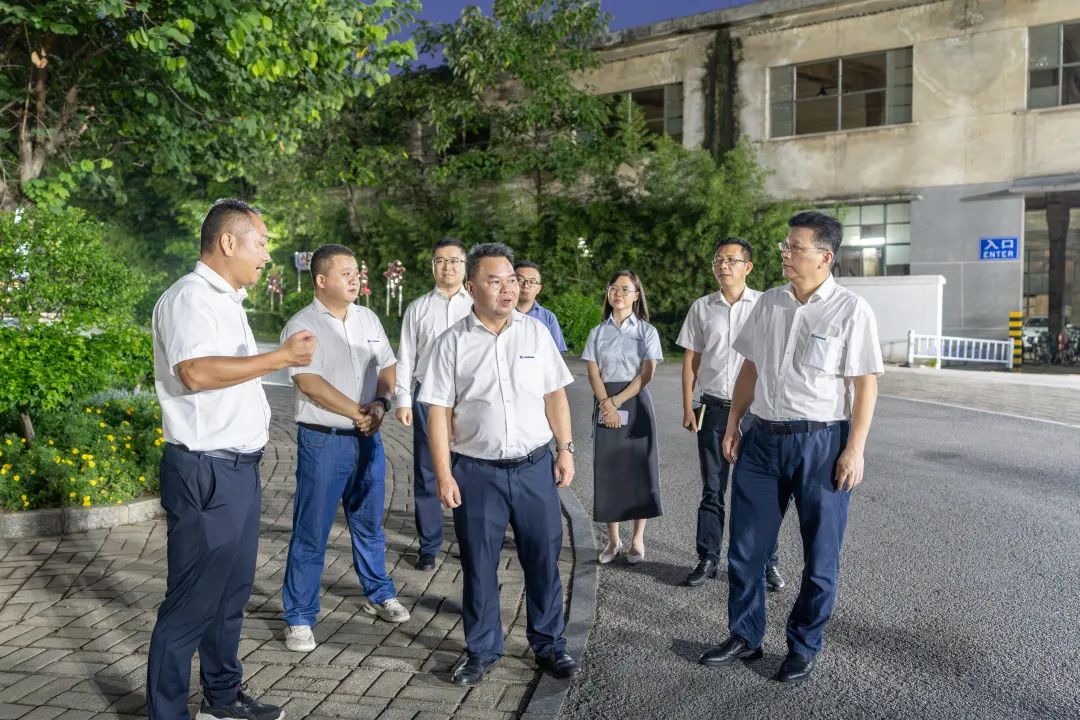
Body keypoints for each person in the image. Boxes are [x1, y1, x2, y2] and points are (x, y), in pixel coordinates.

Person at [148, 199, 315, 720]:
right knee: (191, 602)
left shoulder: (227, 301)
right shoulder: (190, 298)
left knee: (229, 596)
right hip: (206, 471)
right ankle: (167, 713)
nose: (267, 255)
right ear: (227, 242)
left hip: (239, 471)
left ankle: (221, 700)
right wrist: (280, 357)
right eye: (261, 243)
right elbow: (195, 372)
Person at [699, 211, 883, 683]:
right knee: (746, 548)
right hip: (762, 440)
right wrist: (734, 423)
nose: (785, 253)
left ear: (825, 256)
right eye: (785, 245)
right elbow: (750, 367)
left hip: (822, 443)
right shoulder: (770, 303)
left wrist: (855, 448)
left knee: (820, 556)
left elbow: (864, 384)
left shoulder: (850, 310)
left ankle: (803, 645)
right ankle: (745, 635)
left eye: (795, 247)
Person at [419, 242, 581, 686]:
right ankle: (481, 650)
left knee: (543, 559)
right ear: (472, 288)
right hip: (476, 472)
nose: (508, 288)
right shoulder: (451, 343)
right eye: (495, 281)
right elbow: (438, 413)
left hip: (534, 468)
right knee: (479, 564)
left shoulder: (535, 334)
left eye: (511, 280)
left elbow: (555, 395)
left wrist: (565, 449)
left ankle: (550, 645)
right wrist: (444, 474)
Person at [280, 244, 410, 655]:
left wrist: (381, 403)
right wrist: (358, 412)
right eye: (346, 273)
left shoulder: (368, 318)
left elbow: (387, 365)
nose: (356, 278)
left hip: (368, 437)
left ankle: (379, 593)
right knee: (311, 530)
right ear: (321, 280)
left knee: (369, 523)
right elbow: (309, 382)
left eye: (357, 272)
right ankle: (299, 617)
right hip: (324, 440)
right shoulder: (301, 325)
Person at [677, 238, 786, 591]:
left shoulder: (766, 305)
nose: (723, 265)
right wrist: (688, 405)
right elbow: (691, 359)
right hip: (712, 409)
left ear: (747, 267)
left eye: (731, 260)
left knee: (758, 492)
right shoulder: (702, 307)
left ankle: (766, 563)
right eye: (718, 260)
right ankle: (708, 558)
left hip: (756, 413)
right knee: (712, 489)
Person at [395, 238, 473, 571]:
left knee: (469, 472)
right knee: (428, 472)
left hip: (470, 399)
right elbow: (406, 355)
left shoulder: (477, 305)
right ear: (433, 266)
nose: (447, 267)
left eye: (454, 261)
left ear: (465, 266)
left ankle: (470, 542)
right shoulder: (418, 308)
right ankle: (429, 545)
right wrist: (403, 399)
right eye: (440, 261)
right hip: (427, 397)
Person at [582, 271, 664, 565]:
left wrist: (615, 402)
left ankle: (637, 539)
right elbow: (593, 372)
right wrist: (606, 405)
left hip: (636, 401)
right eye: (613, 288)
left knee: (640, 470)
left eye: (625, 289)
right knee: (609, 470)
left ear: (636, 296)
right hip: (605, 400)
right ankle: (613, 540)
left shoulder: (646, 331)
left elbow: (647, 373)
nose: (618, 293)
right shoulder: (597, 332)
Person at [514, 260, 568, 352]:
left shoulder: (548, 318)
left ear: (539, 288)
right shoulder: (499, 314)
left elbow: (557, 354)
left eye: (532, 282)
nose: (525, 285)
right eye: (520, 280)